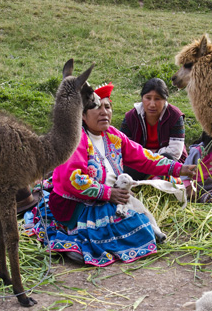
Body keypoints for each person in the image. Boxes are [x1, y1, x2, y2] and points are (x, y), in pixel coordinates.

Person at [31, 83, 197, 266]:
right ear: (83, 115)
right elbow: (75, 179)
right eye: (96, 107)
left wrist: (178, 169)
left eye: (107, 107)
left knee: (138, 222)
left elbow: (144, 157)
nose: (104, 112)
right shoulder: (76, 139)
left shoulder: (113, 135)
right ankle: (76, 245)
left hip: (107, 198)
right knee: (135, 226)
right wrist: (108, 194)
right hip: (77, 204)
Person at [120, 78, 187, 180]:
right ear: (142, 98)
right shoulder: (130, 117)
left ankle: (149, 179)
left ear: (165, 100)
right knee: (127, 168)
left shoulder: (175, 116)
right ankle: (150, 178)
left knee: (167, 158)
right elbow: (123, 149)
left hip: (167, 163)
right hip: (140, 163)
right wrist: (147, 157)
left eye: (157, 99)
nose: (152, 104)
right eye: (148, 98)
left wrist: (146, 155)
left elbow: (175, 152)